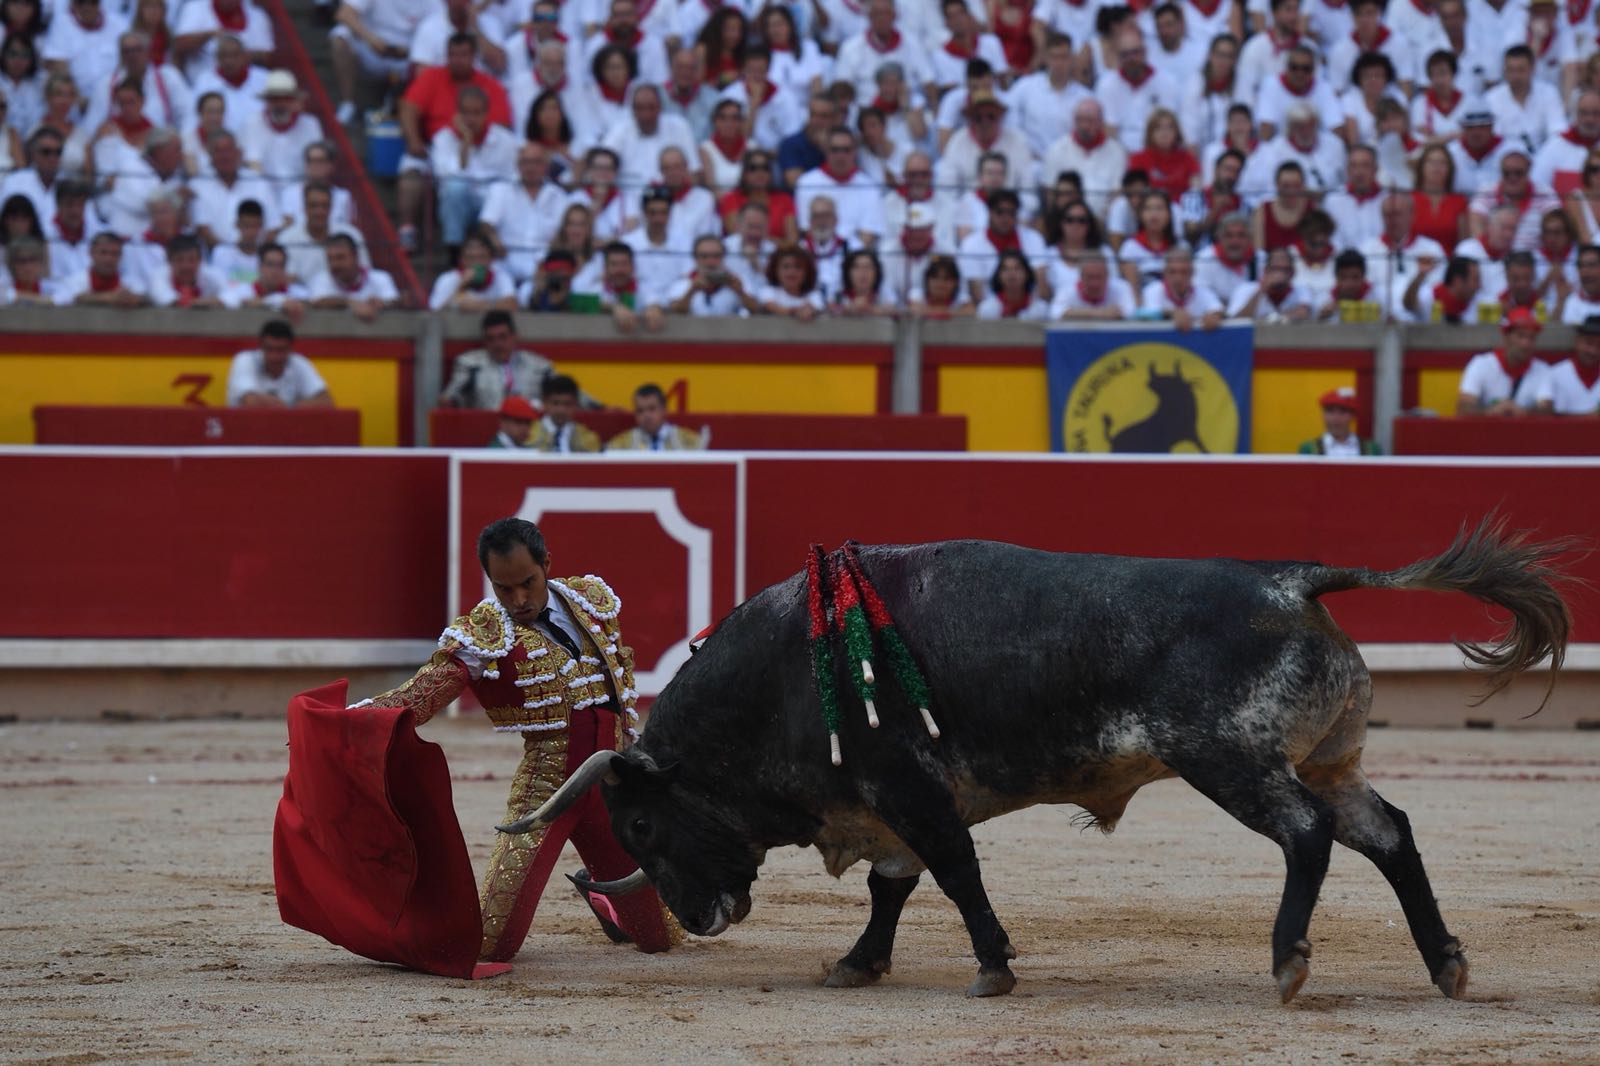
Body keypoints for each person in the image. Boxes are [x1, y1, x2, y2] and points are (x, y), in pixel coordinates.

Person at [340, 516, 678, 963]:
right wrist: (355, 720)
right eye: (503, 589)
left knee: (661, 937)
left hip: (611, 792)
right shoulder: (486, 633)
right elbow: (429, 689)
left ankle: (605, 901)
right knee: (489, 947)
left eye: (527, 583)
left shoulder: (589, 603)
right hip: (546, 796)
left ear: (547, 566)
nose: (518, 600)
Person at [440, 309, 589, 411]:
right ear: (485, 341)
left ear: (514, 336)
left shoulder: (538, 366)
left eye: (502, 337)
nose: (498, 344)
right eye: (491, 339)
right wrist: (449, 400)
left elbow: (566, 391)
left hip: (530, 433)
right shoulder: (470, 364)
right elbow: (451, 397)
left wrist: (599, 407)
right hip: (484, 431)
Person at [1457, 307, 1552, 414]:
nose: (1526, 344)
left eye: (1531, 338)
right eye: (1520, 336)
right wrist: (1492, 412)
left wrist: (1522, 412)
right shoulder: (1481, 364)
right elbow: (1464, 408)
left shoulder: (1542, 369)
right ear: (1506, 337)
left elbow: (1546, 410)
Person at [225, 319, 333, 408]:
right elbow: (251, 402)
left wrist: (285, 408)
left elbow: (326, 402)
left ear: (290, 349)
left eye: (280, 350)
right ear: (261, 347)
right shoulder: (245, 360)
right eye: (269, 349)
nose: (274, 356)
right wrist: (294, 407)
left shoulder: (299, 362)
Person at [307, 233, 399, 321]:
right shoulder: (321, 279)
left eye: (340, 257)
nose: (335, 264)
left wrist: (383, 304)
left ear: (355, 256)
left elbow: (394, 301)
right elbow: (317, 302)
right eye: (330, 259)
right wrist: (350, 303)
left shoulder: (380, 278)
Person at [1142, 247, 1225, 330]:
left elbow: (1219, 309)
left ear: (1192, 273)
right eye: (1172, 272)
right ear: (1164, 273)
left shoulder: (1203, 292)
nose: (1178, 278)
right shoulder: (1152, 290)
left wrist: (1215, 315)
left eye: (1184, 272)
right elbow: (1144, 315)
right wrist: (1172, 313)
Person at [606, 383, 704, 451]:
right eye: (640, 411)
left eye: (652, 409)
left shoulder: (689, 441)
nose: (646, 415)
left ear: (664, 409)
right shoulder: (620, 444)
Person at [1536, 315, 1600, 414]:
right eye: (1589, 343)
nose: (1593, 351)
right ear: (1577, 341)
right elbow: (1543, 412)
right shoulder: (1554, 374)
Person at [527, 374, 602, 452]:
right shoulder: (528, 433)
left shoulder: (588, 438)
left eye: (567, 404)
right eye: (555, 403)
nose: (561, 410)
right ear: (544, 403)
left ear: (576, 405)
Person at [1297, 387, 1382, 455]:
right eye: (1330, 412)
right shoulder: (1309, 449)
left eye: (1343, 412)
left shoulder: (1371, 449)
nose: (1336, 418)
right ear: (1323, 415)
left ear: (1353, 416)